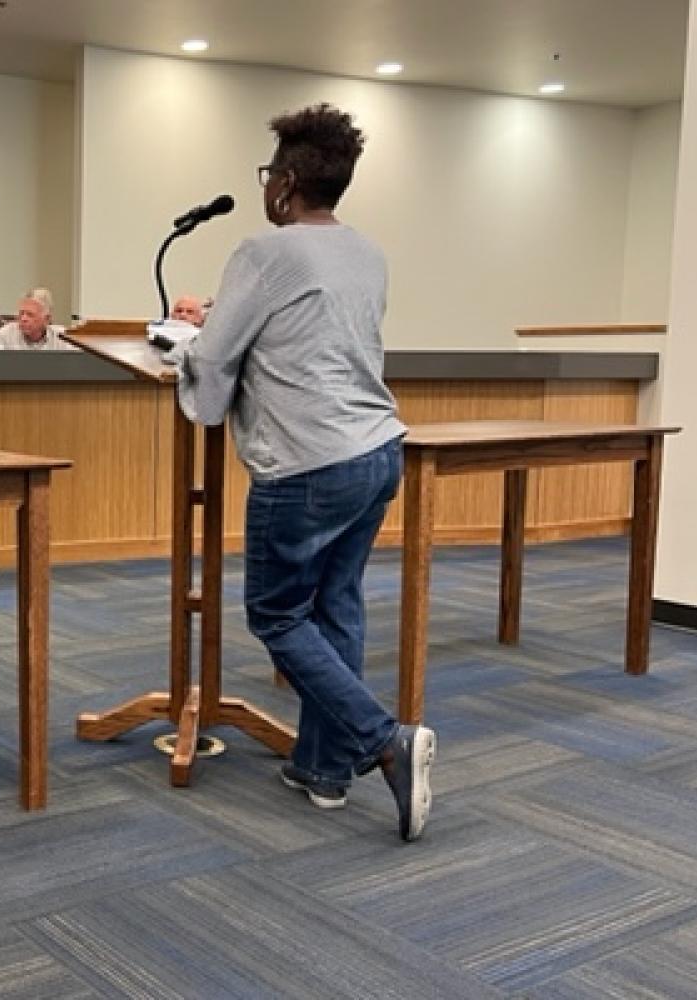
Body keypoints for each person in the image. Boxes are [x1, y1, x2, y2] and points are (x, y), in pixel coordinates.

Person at [171, 103, 435, 841]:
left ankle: (385, 740)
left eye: (269, 176)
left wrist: (190, 345)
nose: (266, 188)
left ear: (285, 183)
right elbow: (308, 331)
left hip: (308, 464)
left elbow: (215, 368)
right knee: (336, 606)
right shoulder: (368, 254)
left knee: (277, 615)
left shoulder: (265, 251)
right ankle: (323, 769)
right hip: (378, 451)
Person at [0, 288, 75, 351]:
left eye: (30, 315)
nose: (23, 319)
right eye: (21, 313)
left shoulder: (63, 337)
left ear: (47, 319)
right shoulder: (5, 334)